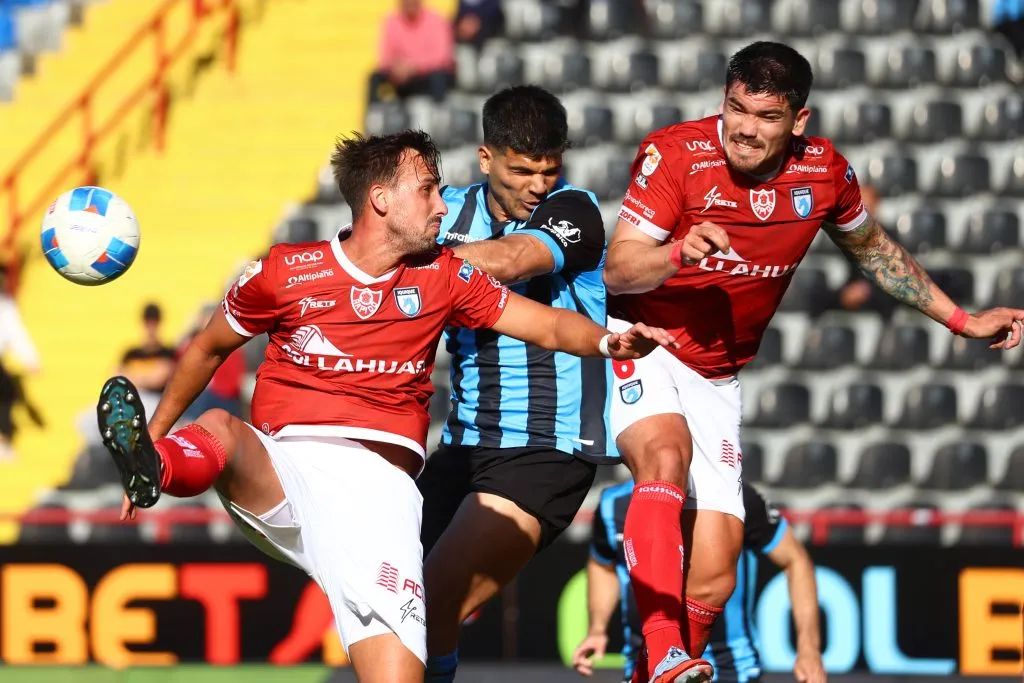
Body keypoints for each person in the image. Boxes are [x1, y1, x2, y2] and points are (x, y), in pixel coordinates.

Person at [96, 130, 675, 683]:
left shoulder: (444, 277)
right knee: (222, 426)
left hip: (379, 500)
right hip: (288, 472)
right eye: (426, 189)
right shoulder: (284, 272)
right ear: (379, 198)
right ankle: (158, 464)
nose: (441, 207)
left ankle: (161, 460)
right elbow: (206, 347)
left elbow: (544, 324)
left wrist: (607, 341)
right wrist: (155, 430)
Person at [603, 40, 1024, 683]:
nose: (744, 128)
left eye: (766, 117)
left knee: (714, 574)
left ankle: (659, 669)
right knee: (664, 458)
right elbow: (619, 269)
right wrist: (676, 254)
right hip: (645, 338)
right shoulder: (678, 155)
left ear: (799, 121)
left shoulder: (825, 173)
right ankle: (659, 649)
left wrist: (961, 319)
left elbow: (874, 250)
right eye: (736, 108)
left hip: (718, 372)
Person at [416, 85, 611, 682]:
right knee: (386, 599)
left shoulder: (576, 209)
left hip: (546, 449)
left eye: (548, 170)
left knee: (436, 590)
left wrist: (417, 262)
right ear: (485, 158)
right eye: (522, 170)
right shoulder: (445, 212)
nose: (538, 185)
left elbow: (516, 259)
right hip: (463, 447)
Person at [573, 482, 826, 683]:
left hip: (729, 671)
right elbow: (602, 565)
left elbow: (796, 560)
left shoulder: (734, 498)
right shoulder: (611, 504)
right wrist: (597, 628)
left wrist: (809, 649)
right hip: (646, 671)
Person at [369, 0, 454, 104]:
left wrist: (413, 66)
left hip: (426, 75)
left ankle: (439, 114)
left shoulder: (436, 20)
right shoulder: (392, 21)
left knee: (438, 77)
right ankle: (374, 116)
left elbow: (441, 56)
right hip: (400, 75)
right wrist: (397, 68)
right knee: (375, 77)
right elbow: (385, 57)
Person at [0, 264, 41, 460]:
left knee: (6, 392)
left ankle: (2, 440)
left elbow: (16, 335)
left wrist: (30, 359)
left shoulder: (6, 306)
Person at [118, 302, 176, 416]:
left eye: (154, 323)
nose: (150, 327)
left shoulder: (167, 352)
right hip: (128, 400)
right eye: (148, 323)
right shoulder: (131, 353)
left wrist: (131, 377)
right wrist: (147, 378)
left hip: (155, 401)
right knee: (87, 420)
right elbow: (115, 377)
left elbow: (160, 378)